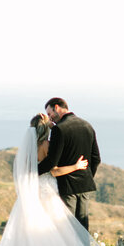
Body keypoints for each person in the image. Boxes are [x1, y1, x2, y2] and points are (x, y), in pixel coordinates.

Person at [0, 113, 98, 246]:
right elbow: (55, 171)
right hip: (47, 191)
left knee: (31, 227)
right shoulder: (46, 145)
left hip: (33, 190)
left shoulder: (29, 147)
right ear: (46, 128)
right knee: (55, 227)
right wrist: (76, 166)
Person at [38, 97, 101, 230]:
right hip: (85, 184)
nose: (50, 118)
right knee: (83, 228)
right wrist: (86, 176)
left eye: (50, 114)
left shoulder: (59, 130)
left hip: (67, 185)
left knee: (68, 228)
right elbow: (96, 159)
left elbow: (51, 162)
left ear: (57, 107)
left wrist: (33, 170)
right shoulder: (87, 125)